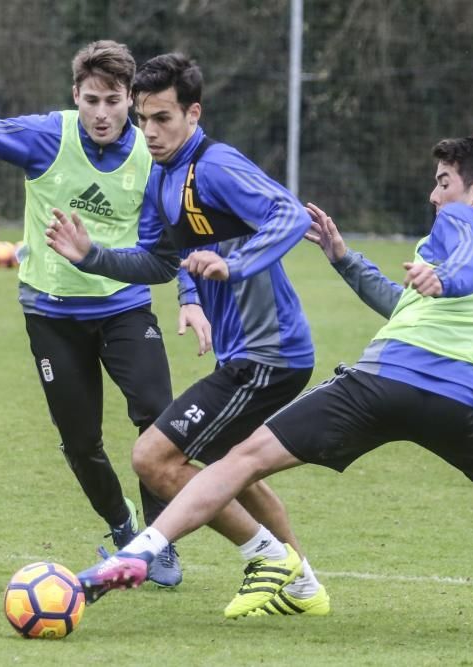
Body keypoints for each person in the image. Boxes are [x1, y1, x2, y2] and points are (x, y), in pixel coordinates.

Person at [72, 131, 473, 638]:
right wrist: (346, 260)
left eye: (443, 182)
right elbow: (409, 306)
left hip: (375, 382)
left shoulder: (465, 223)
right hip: (451, 393)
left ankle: (140, 551)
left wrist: (446, 276)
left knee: (243, 458)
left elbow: (464, 259)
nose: (434, 195)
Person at [45, 53, 329, 618]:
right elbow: (157, 262)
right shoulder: (162, 178)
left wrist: (236, 263)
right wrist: (93, 255)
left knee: (153, 458)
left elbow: (290, 215)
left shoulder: (217, 166)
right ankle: (303, 588)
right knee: (235, 469)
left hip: (268, 353)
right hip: (247, 353)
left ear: (193, 114)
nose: (149, 131)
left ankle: (268, 558)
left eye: (163, 119)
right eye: (144, 119)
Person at [0, 41, 181, 586]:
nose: (102, 113)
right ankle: (121, 527)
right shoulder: (51, 135)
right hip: (51, 313)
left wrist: (192, 299)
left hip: (125, 309)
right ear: (76, 96)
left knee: (159, 422)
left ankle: (156, 546)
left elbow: (172, 246)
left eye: (114, 101)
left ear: (130, 100)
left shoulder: (151, 154)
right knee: (81, 441)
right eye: (91, 100)